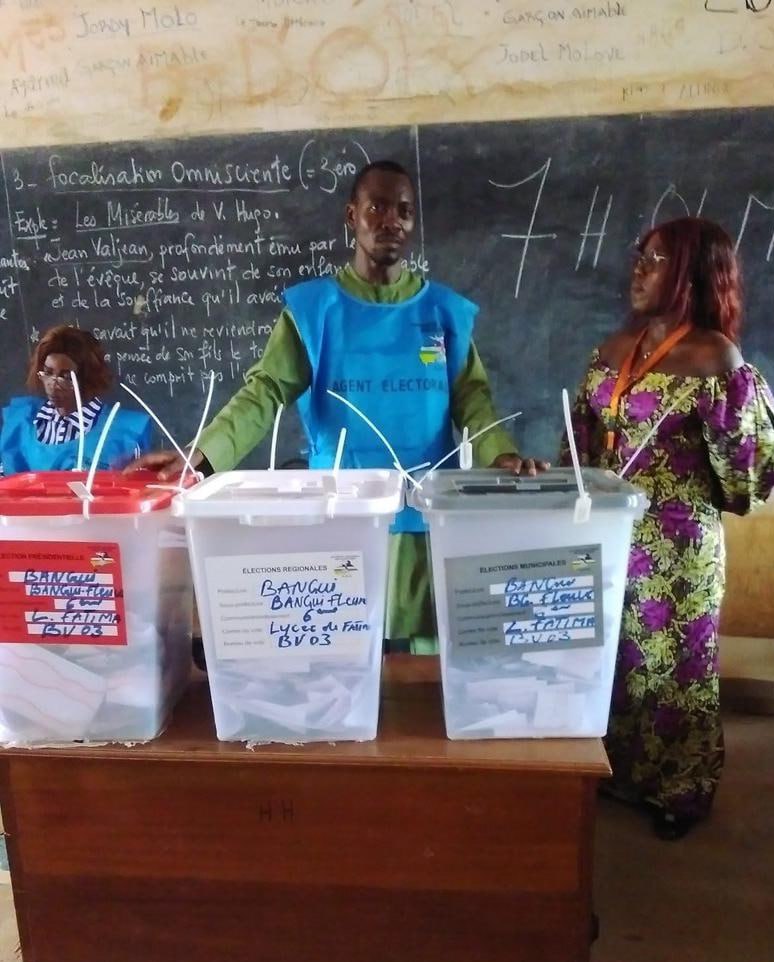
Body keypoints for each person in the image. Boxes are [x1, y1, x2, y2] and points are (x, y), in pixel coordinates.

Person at [133, 160, 546, 651]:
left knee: (425, 664)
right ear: (352, 216)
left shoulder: (442, 312)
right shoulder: (315, 312)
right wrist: (201, 456)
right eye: (378, 208)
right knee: (345, 659)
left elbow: (474, 399)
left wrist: (501, 454)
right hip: (341, 519)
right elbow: (264, 392)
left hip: (426, 518)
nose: (391, 221)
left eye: (404, 211)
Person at [561, 217, 774, 840]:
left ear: (693, 273)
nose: (638, 268)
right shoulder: (615, 348)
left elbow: (747, 473)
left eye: (657, 259)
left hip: (677, 548)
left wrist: (727, 430)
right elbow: (579, 443)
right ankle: (611, 772)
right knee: (609, 659)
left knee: (673, 669)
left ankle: (678, 792)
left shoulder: (717, 358)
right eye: (639, 255)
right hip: (606, 537)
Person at [0, 324, 151, 476]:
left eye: (66, 376)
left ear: (88, 378)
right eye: (48, 373)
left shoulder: (125, 432)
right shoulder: (21, 422)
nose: (53, 384)